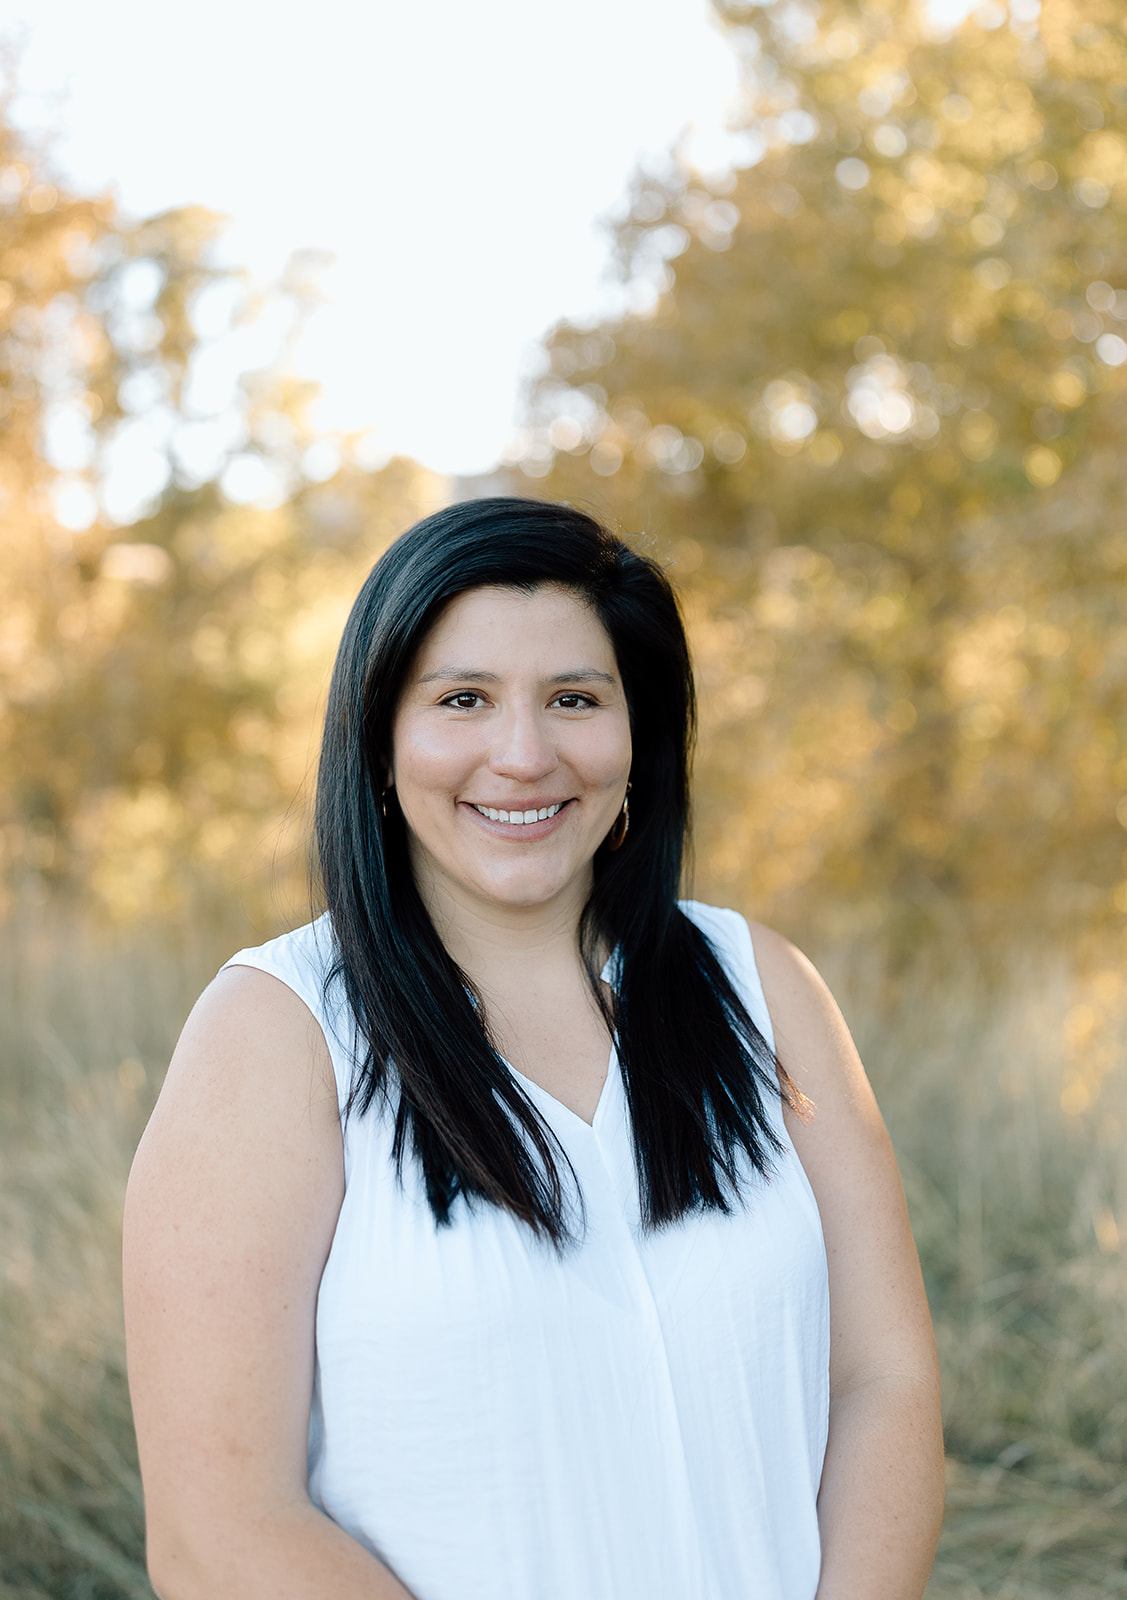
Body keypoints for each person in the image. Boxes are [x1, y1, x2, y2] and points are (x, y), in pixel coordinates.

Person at [123, 497, 944, 1600]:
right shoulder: (275, 1031)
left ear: (636, 737)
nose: (522, 754)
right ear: (379, 740)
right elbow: (216, 1533)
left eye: (573, 698)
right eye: (462, 699)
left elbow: (880, 1382)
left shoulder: (763, 984)